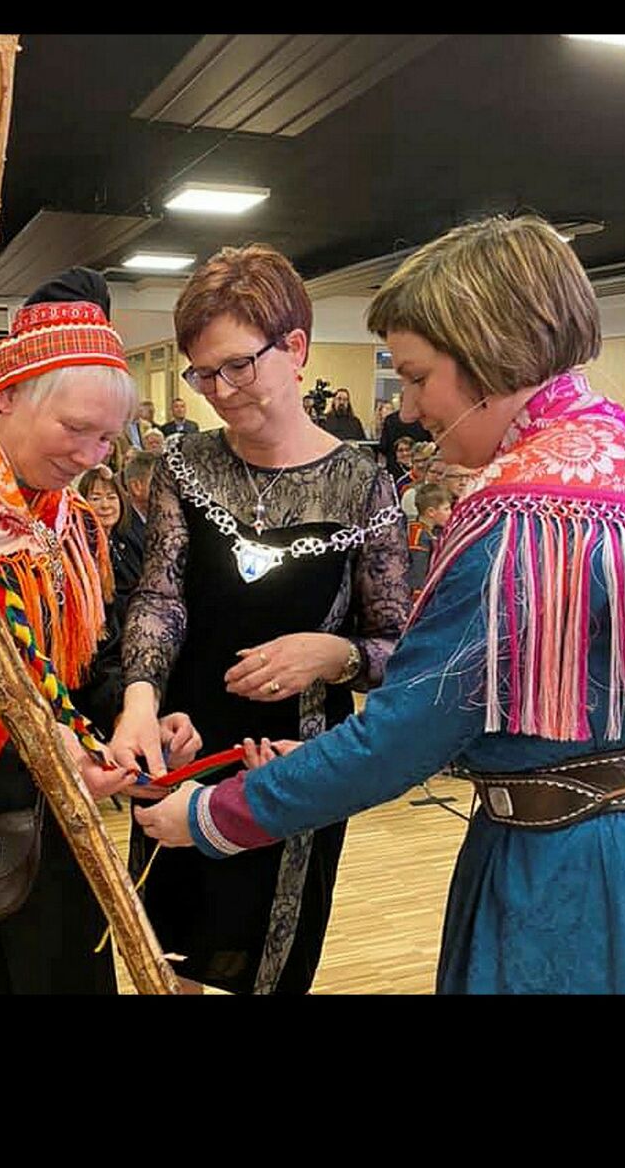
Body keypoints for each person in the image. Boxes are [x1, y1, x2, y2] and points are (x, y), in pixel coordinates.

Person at [136, 214, 625, 995]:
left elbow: (404, 729)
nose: (408, 409)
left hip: (572, 867)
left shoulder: (519, 515)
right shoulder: (623, 457)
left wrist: (214, 816)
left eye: (415, 376)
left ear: (486, 358)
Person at [112, 243, 410, 995]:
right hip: (182, 739)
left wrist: (330, 655)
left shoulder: (360, 481)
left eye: (236, 365)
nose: (219, 390)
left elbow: (393, 644)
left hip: (294, 759)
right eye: (203, 373)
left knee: (268, 960)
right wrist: (141, 699)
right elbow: (161, 593)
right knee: (166, 951)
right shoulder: (187, 465)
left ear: (296, 348)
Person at [0, 292, 198, 995]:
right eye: (76, 429)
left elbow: (89, 657)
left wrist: (130, 717)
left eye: (106, 441)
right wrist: (31, 739)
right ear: (2, 398)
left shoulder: (73, 521)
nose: (90, 456)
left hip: (57, 821)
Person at [78, 464, 144, 616]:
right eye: (95, 498)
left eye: (111, 497)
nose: (105, 505)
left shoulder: (127, 538)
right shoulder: (81, 548)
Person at [406, 480, 452, 599]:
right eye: (446, 509)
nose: (450, 513)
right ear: (431, 512)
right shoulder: (419, 535)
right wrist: (418, 595)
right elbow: (418, 570)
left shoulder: (432, 532)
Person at [377, 395, 432, 477]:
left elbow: (383, 446)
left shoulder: (390, 420)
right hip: (420, 468)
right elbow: (430, 444)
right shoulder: (424, 420)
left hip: (395, 469)